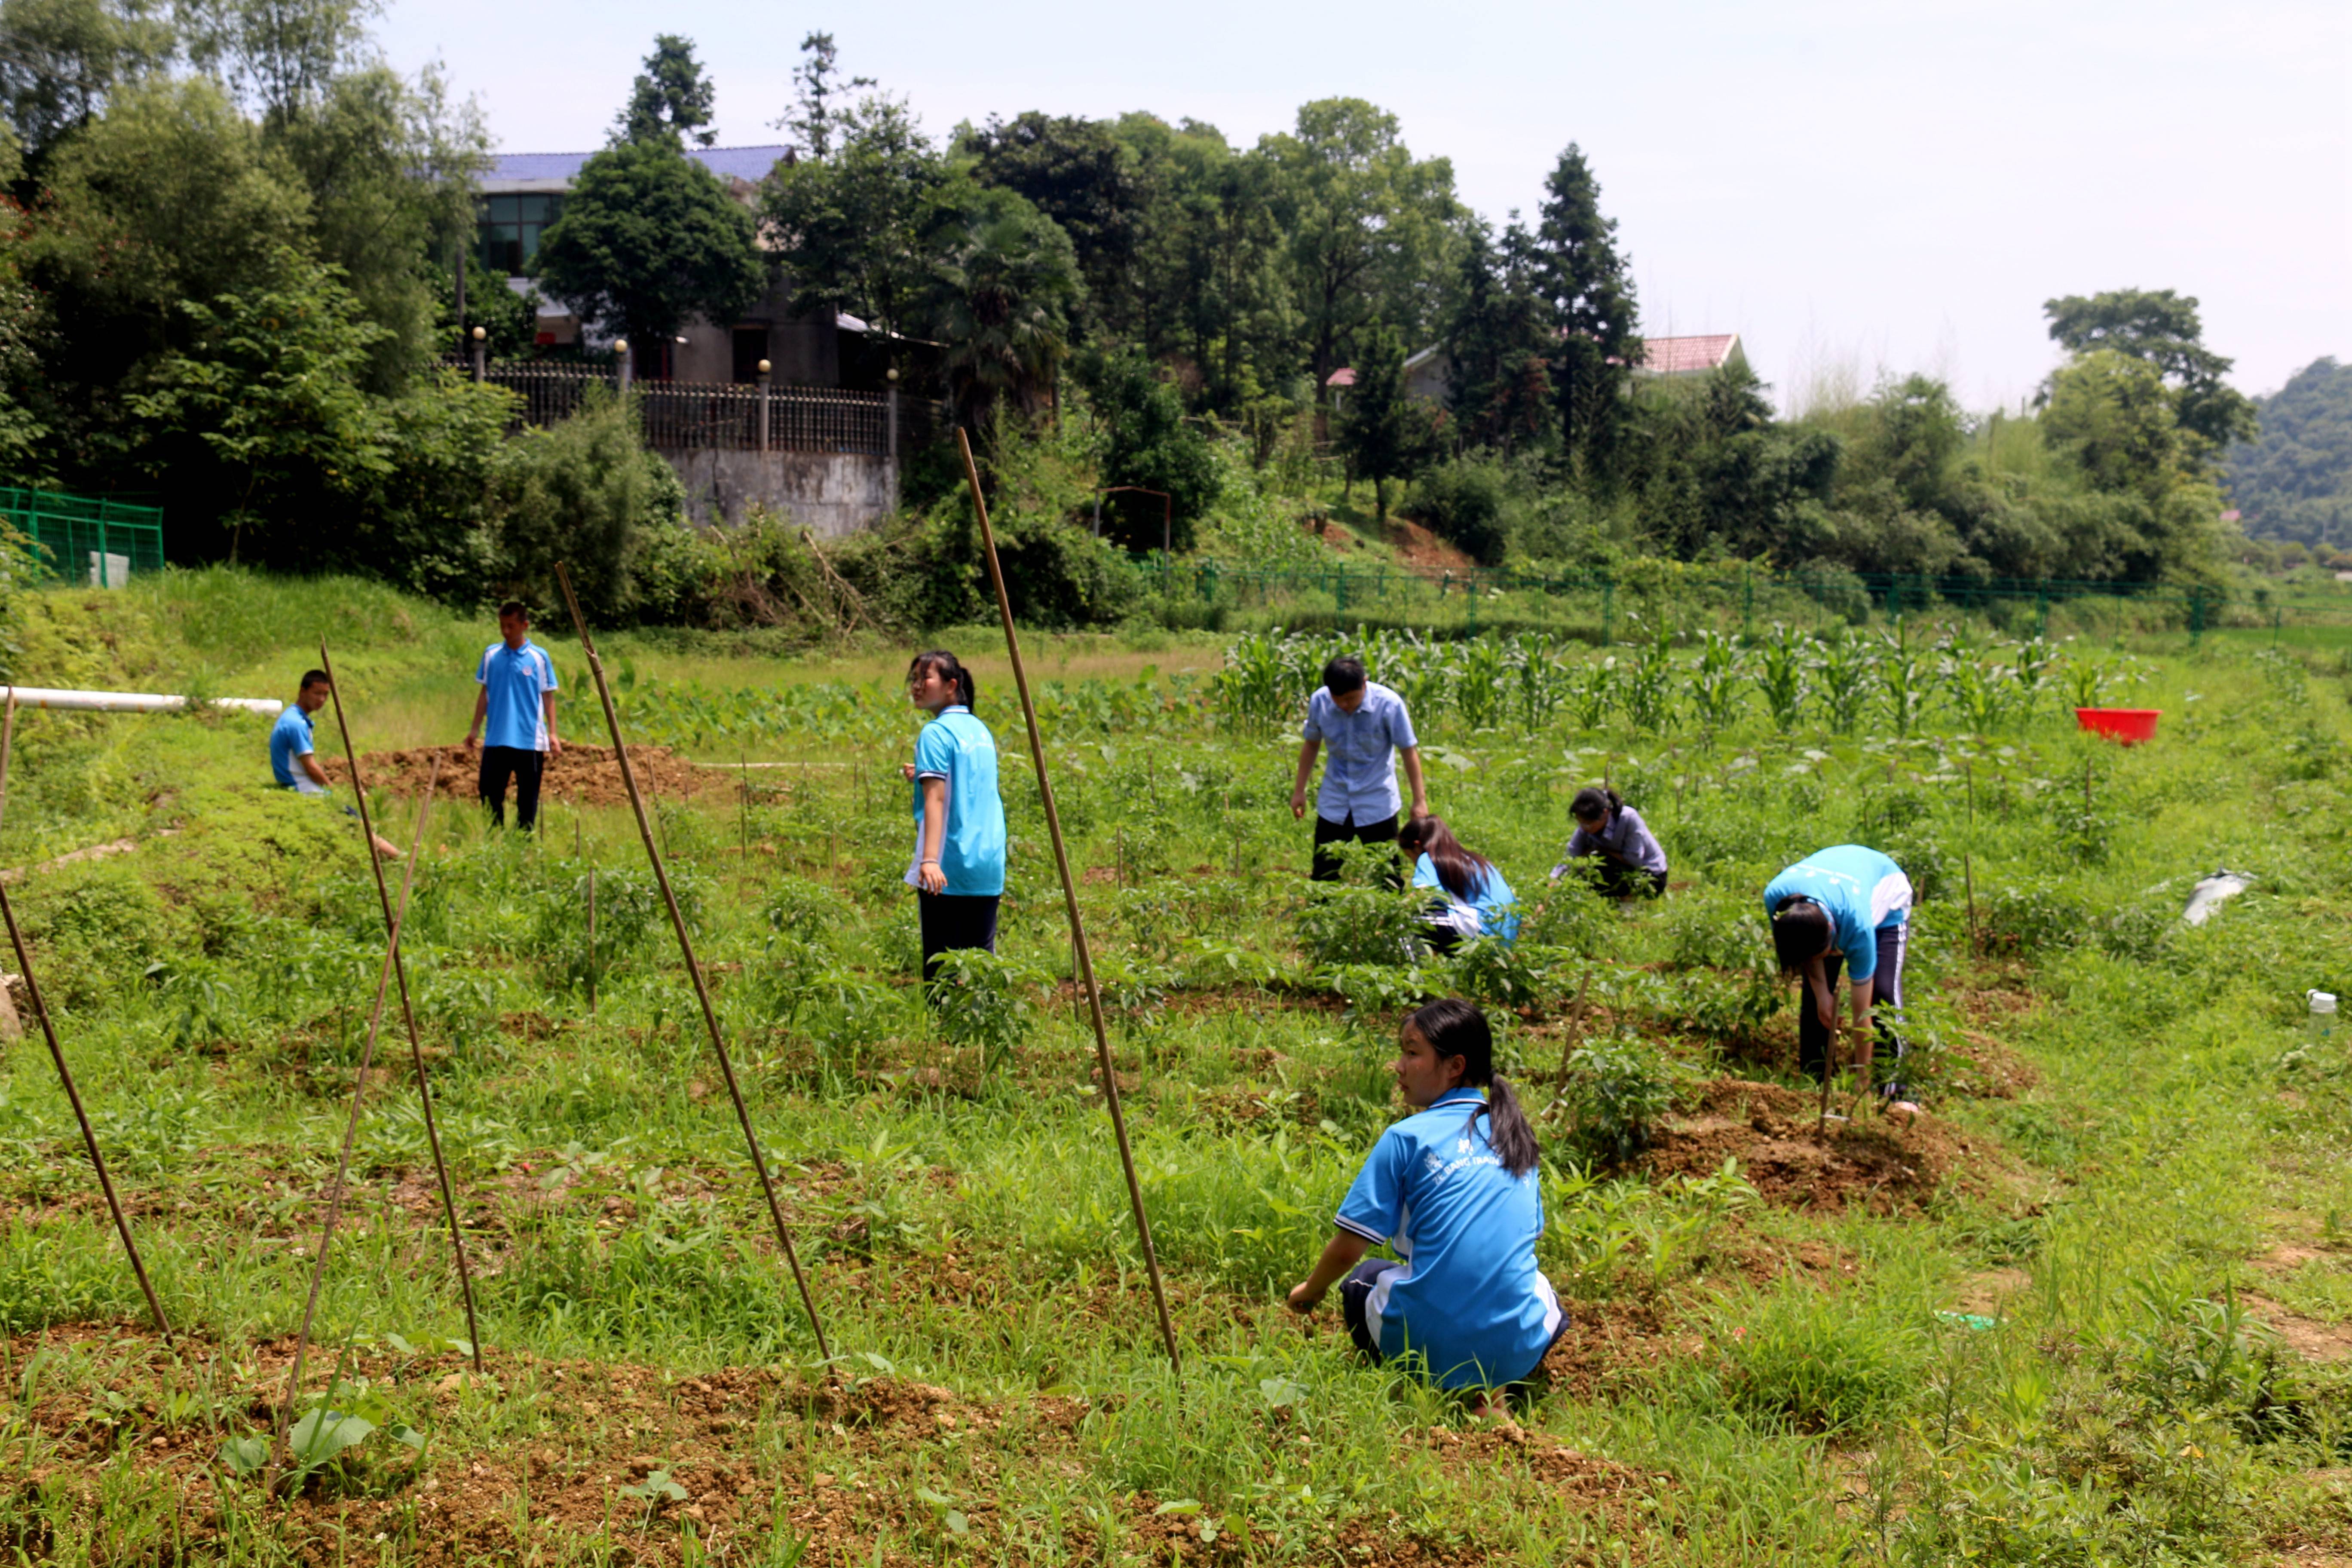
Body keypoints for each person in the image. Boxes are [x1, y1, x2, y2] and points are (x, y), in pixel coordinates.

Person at [1287, 998, 1564, 1414]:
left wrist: (1309, 1291)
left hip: (1431, 1344)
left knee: (1362, 1280)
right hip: (1516, 1346)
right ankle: (1494, 1394)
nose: (1399, 1066)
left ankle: (1416, 1387)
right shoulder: (1517, 1136)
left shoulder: (1407, 1137)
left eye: (1412, 1052)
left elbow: (1349, 1248)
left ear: (1454, 1066)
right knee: (1537, 1286)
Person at [1763, 845, 1914, 1102]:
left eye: (1824, 953)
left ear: (1832, 939)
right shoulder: (1778, 901)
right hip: (1834, 894)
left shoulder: (1858, 927)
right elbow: (1803, 953)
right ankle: (1814, 1084)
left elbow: (1861, 1013)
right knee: (1815, 1001)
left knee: (1883, 997)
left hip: (1886, 897)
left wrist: (1861, 1079)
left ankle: (1895, 1091)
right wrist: (1823, 995)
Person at [900, 650, 1007, 987]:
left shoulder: (935, 733)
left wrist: (929, 861)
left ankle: (938, 1038)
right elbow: (969, 786)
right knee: (979, 963)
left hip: (948, 866)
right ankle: (982, 1031)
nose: (917, 687)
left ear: (951, 685)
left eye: (925, 679)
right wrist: (922, 772)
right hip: (988, 860)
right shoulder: (979, 730)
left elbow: (937, 797)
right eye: (914, 680)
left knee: (941, 966)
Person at [1291, 655, 1427, 883]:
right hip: (1335, 799)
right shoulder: (1320, 702)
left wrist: (1419, 800)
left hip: (1377, 800)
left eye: (1351, 699)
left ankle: (1391, 917)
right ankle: (1323, 915)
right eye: (1339, 700)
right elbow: (1312, 744)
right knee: (1325, 871)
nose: (1345, 706)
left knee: (1388, 875)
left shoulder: (1389, 704)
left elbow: (1408, 751)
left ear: (1364, 683)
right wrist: (1299, 791)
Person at [269, 669, 403, 860]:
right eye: (317, 693)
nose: (322, 699)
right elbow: (311, 767)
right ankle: (399, 858)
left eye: (326, 695)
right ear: (302, 691)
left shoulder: (292, 717)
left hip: (295, 781)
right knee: (351, 818)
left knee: (354, 818)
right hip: (299, 785)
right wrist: (333, 791)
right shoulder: (296, 724)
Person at [463, 600, 561, 831]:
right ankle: (495, 838)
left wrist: (554, 734)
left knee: (528, 799)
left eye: (511, 626)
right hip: (496, 738)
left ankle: (523, 843)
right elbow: (484, 693)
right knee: (489, 793)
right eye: (502, 626)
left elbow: (548, 697)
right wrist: (475, 730)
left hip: (529, 740)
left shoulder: (539, 657)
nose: (506, 632)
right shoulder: (491, 655)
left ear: (524, 625)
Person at [1397, 815, 1518, 954]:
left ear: (1418, 846)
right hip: (1506, 936)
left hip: (1482, 929)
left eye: (1410, 857)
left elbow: (1423, 896)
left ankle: (1408, 971)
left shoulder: (1428, 858)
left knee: (1405, 921)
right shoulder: (1473, 860)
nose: (1414, 863)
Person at [1552, 786, 1667, 900]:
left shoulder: (1628, 818)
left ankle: (1627, 902)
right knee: (1583, 868)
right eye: (1580, 823)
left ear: (1605, 813)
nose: (1585, 828)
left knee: (1600, 861)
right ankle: (1614, 900)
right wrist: (1552, 881)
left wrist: (1602, 850)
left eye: (1588, 824)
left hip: (1651, 876)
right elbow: (1571, 856)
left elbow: (1634, 860)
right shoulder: (1586, 826)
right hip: (1618, 868)